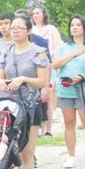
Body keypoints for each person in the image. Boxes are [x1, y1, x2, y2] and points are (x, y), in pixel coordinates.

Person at [0, 15, 49, 169]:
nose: (15, 30)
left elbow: (42, 81)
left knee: (27, 152)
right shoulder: (5, 52)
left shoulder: (39, 52)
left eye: (19, 27)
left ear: (28, 30)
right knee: (4, 150)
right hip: (9, 107)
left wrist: (24, 78)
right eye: (13, 27)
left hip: (30, 106)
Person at [52, 15, 85, 169]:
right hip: (65, 89)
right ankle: (70, 156)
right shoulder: (64, 47)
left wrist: (82, 77)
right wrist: (73, 54)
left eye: (78, 25)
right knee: (69, 123)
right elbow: (55, 65)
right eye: (72, 25)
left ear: (84, 28)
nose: (74, 27)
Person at [31, 7, 62, 137]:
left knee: (48, 95)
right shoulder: (31, 30)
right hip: (33, 65)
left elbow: (58, 46)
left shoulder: (51, 29)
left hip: (49, 64)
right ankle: (37, 128)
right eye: (33, 14)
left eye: (37, 13)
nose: (35, 15)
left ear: (44, 14)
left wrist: (47, 54)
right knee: (35, 97)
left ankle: (48, 128)